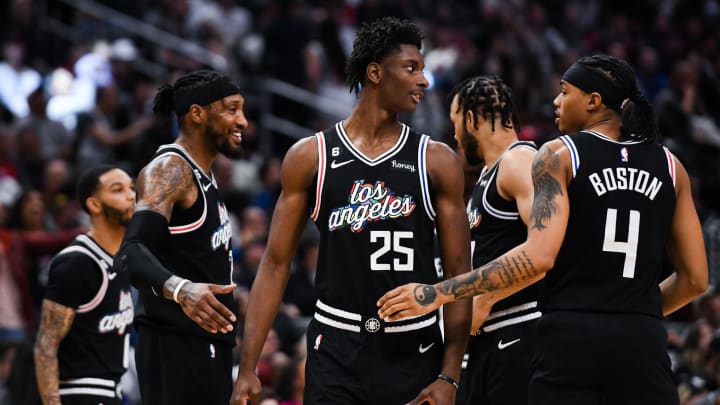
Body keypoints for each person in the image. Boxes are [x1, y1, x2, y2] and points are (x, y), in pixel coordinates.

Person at [378, 54, 709, 404]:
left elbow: (538, 256)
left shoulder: (559, 154)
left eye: (565, 92)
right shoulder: (672, 167)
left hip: (570, 337)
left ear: (593, 101)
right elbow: (696, 280)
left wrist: (438, 293)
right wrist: (634, 314)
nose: (556, 101)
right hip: (643, 341)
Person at [232, 17, 471, 405]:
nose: (423, 81)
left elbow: (460, 273)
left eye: (423, 69)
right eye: (411, 68)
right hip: (336, 347)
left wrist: (450, 375)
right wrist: (247, 366)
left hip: (415, 348)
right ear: (375, 73)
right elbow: (275, 264)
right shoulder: (311, 156)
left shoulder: (437, 161)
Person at [113, 70, 248, 404]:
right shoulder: (170, 171)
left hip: (206, 344)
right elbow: (130, 253)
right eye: (231, 109)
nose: (243, 121)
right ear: (197, 114)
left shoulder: (203, 174)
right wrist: (181, 289)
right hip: (175, 343)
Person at [448, 75, 543, 404]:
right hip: (492, 337)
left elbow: (546, 249)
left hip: (521, 327)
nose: (455, 135)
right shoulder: (489, 174)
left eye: (456, 123)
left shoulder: (520, 161)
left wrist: (484, 299)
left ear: (471, 120)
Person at [33, 165, 136, 405]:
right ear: (94, 205)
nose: (131, 195)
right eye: (118, 190)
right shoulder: (77, 262)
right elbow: (46, 345)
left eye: (132, 188)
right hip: (80, 392)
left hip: (112, 392)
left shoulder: (120, 259)